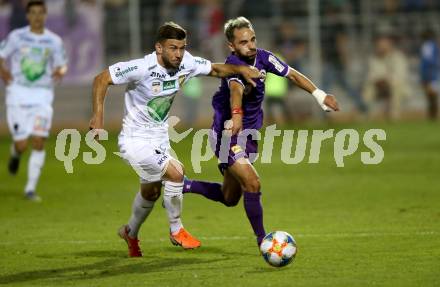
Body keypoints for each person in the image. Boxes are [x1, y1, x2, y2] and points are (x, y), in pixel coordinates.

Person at [88, 21, 261, 257]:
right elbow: (101, 79)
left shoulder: (186, 62)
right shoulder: (141, 67)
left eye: (181, 48)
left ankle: (130, 232)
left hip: (159, 138)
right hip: (134, 139)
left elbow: (216, 70)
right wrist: (98, 117)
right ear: (159, 48)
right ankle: (176, 229)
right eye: (172, 48)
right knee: (176, 172)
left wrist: (241, 70)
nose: (178, 54)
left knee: (151, 192)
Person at [183, 17, 339, 248]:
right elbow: (236, 90)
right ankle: (264, 242)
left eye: (253, 39)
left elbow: (292, 74)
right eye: (244, 42)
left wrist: (319, 95)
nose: (251, 45)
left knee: (229, 197)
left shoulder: (264, 57)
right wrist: (236, 115)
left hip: (249, 136)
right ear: (232, 46)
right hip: (227, 135)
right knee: (253, 183)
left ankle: (183, 185)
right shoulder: (233, 64)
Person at [0, 0, 68, 202]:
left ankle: (30, 189)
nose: (37, 17)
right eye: (33, 13)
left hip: (42, 96)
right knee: (21, 144)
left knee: (39, 141)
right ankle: (15, 154)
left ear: (45, 15)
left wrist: (60, 71)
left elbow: (63, 65)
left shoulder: (53, 41)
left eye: (40, 13)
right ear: (27, 16)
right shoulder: (17, 37)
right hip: (18, 95)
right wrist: (3, 71)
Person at [420, 29, 439, 120]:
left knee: (432, 95)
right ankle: (432, 116)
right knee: (432, 95)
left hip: (430, 73)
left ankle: (433, 116)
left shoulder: (428, 45)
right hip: (432, 73)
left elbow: (427, 60)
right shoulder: (431, 45)